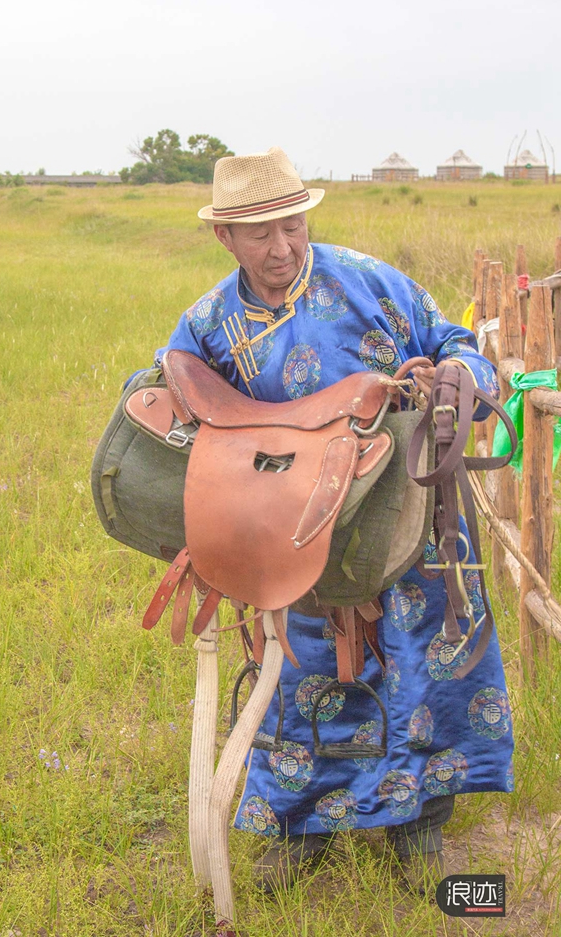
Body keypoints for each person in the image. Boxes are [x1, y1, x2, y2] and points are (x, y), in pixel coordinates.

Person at [153, 147, 514, 892]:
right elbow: (172, 392)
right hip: (290, 530)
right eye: (260, 233)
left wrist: (459, 376)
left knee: (424, 656)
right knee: (302, 670)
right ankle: (304, 824)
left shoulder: (371, 282)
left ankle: (418, 825)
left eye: (292, 224)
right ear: (225, 237)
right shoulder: (209, 324)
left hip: (402, 508)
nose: (282, 246)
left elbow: (455, 344)